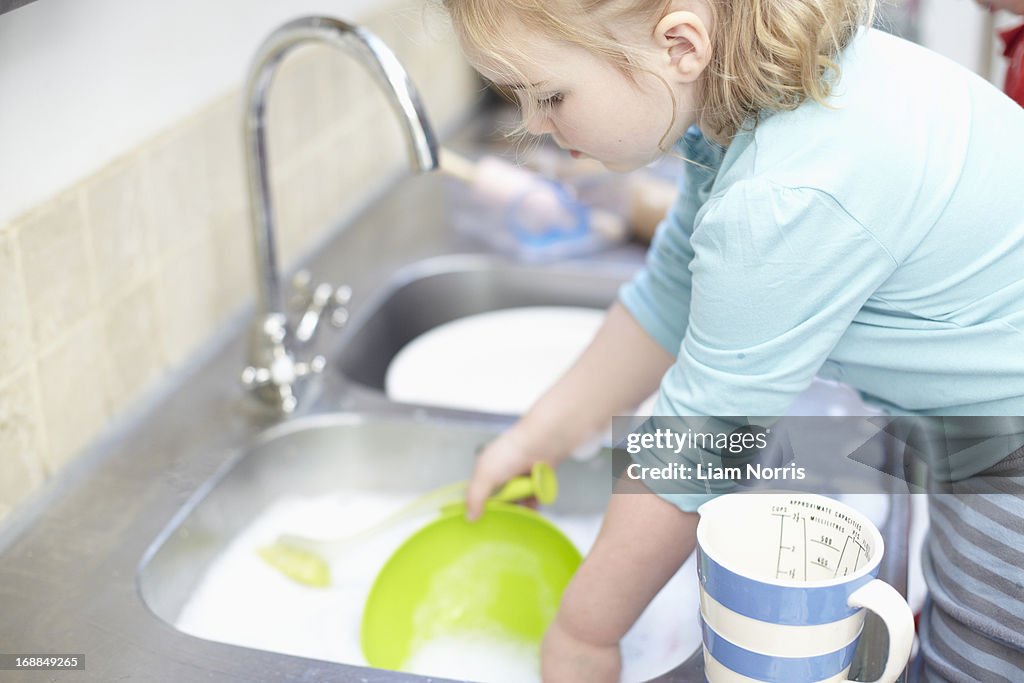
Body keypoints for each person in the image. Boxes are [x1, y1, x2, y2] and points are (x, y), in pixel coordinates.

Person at [439, 0, 1024, 681]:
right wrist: (534, 437)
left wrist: (584, 631)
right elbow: (670, 298)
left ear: (681, 46)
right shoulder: (757, 104)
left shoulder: (783, 192)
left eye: (551, 95)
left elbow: (699, 447)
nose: (533, 125)